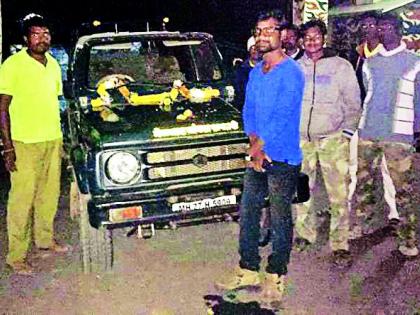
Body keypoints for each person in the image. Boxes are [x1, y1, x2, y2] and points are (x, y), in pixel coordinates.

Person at [216, 9, 304, 302]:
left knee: (279, 219)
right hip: (257, 154)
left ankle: (276, 274)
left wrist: (259, 150)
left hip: (282, 158)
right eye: (259, 29)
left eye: (269, 30)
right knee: (248, 212)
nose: (263, 35)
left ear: (282, 35)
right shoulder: (256, 72)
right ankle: (248, 269)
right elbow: (249, 111)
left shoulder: (291, 72)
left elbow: (282, 116)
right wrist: (253, 142)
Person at [0, 14, 68, 275]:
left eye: (46, 33)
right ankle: (16, 256)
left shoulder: (53, 65)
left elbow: (56, 102)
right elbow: (2, 107)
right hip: (24, 141)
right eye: (36, 34)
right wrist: (7, 146)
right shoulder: (13, 65)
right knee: (22, 200)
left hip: (52, 138)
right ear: (26, 39)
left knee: (48, 195)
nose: (42, 38)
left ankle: (44, 240)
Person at [294, 19, 361, 267]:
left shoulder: (340, 67)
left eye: (316, 36)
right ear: (302, 41)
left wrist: (346, 133)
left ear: (324, 38)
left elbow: (354, 103)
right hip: (301, 141)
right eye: (307, 37)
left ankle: (340, 242)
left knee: (339, 193)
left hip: (333, 139)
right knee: (301, 191)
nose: (312, 41)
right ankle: (305, 233)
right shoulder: (294, 68)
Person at [355, 13, 420, 257]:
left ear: (400, 30)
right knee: (364, 183)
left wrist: (417, 131)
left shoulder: (415, 62)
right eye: (380, 28)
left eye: (388, 27)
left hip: (399, 136)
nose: (382, 32)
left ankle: (408, 239)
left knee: (403, 191)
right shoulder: (371, 62)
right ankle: (362, 224)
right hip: (369, 131)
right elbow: (367, 93)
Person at [234, 36, 261, 109]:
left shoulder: (269, 68)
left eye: (258, 47)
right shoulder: (240, 70)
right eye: (252, 47)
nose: (255, 50)